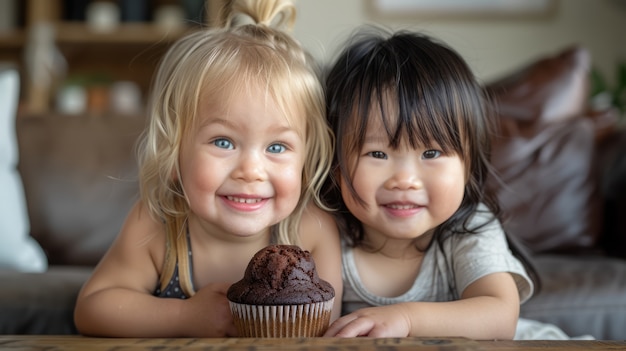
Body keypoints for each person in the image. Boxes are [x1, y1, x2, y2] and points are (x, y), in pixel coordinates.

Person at [74, 0, 342, 337]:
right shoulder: (159, 224)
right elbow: (93, 308)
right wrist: (183, 316)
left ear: (306, 161)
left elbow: (324, 327)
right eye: (224, 142)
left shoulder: (312, 230)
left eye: (276, 147)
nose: (250, 170)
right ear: (174, 154)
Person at [320, 27, 583, 340]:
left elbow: (500, 318)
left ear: (468, 163)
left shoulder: (470, 227)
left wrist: (405, 319)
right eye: (377, 153)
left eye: (431, 152)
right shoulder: (326, 231)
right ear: (336, 164)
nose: (405, 179)